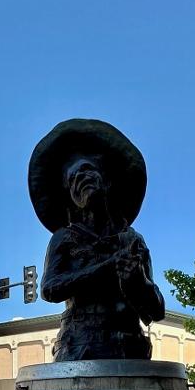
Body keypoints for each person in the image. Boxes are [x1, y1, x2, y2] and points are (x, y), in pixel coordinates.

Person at [28, 118, 165, 361]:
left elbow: (157, 310)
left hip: (129, 349)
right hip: (79, 348)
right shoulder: (64, 238)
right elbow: (50, 289)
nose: (81, 177)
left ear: (107, 180)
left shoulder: (132, 240)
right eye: (73, 178)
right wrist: (107, 268)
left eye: (87, 169)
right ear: (69, 196)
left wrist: (138, 281)